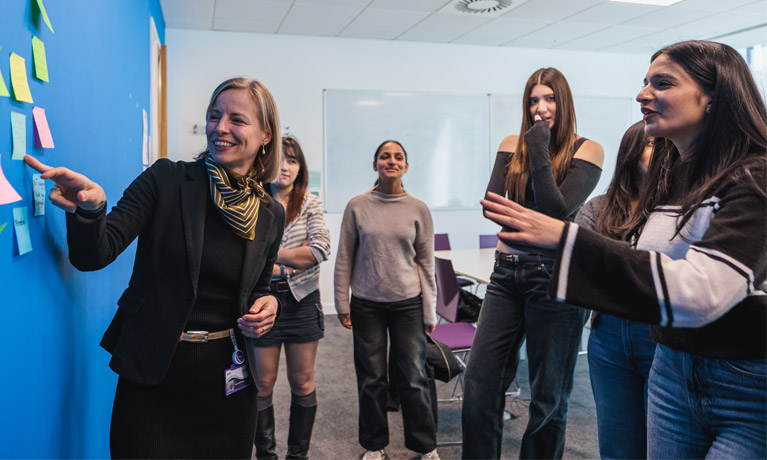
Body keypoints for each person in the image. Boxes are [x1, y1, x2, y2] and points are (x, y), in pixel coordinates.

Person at [482, 40, 766, 459]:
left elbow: (701, 292)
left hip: (742, 378)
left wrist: (565, 238)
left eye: (662, 83)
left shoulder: (755, 177)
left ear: (713, 96)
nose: (642, 94)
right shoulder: (678, 180)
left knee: (549, 396)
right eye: (644, 82)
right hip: (670, 365)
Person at [24, 77, 285, 459]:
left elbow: (259, 285)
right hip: (154, 377)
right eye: (214, 116)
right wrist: (92, 210)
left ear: (265, 134)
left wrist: (269, 305)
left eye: (236, 119)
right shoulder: (168, 179)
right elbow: (95, 254)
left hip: (227, 385)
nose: (221, 128)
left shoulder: (269, 213)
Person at [462, 67, 604, 460]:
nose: (540, 108)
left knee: (548, 395)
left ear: (564, 102)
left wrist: (540, 147)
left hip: (556, 278)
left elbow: (557, 212)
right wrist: (532, 218)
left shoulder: (587, 149)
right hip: (506, 274)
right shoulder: (511, 143)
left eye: (549, 98)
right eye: (533, 100)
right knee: (479, 381)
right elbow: (493, 205)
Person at [334, 140, 440, 460]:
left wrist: (430, 310)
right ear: (375, 164)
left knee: (413, 377)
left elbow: (426, 262)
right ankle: (374, 445)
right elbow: (344, 257)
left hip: (408, 303)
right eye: (384, 156)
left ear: (406, 166)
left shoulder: (418, 208)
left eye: (398, 157)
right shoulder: (357, 205)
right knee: (371, 379)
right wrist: (342, 302)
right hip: (367, 304)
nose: (391, 161)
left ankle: (425, 446)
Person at [574, 120, 657, 459]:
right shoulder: (599, 208)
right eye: (652, 145)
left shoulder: (678, 209)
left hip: (660, 335)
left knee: (665, 442)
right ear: (631, 153)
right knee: (617, 443)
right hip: (608, 336)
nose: (661, 153)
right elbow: (582, 269)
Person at [252, 136, 331, 460]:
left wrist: (273, 260)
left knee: (302, 380)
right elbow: (244, 257)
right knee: (262, 384)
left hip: (301, 302)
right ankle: (266, 455)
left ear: (301, 168)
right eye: (280, 159)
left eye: (293, 160)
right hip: (261, 302)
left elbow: (319, 250)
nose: (285, 166)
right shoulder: (252, 201)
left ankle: (298, 456)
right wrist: (291, 261)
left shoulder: (310, 203)